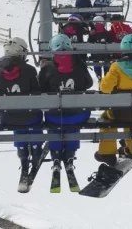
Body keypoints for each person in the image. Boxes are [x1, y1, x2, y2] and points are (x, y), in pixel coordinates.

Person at [95, 34, 132, 167]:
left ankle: (107, 152)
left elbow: (105, 88)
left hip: (120, 113)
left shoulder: (117, 67)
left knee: (107, 119)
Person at [0, 37, 43, 192]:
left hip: (8, 118)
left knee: (17, 121)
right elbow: (37, 92)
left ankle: (23, 158)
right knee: (33, 118)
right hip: (31, 117)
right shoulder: (29, 70)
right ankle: (35, 151)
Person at [38, 34, 93, 170]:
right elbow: (88, 83)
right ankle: (70, 153)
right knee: (74, 121)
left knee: (53, 122)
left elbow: (40, 88)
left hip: (55, 115)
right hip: (78, 115)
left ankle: (56, 154)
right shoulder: (79, 65)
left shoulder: (48, 68)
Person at [88, 15, 112, 80]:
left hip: (95, 55)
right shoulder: (106, 33)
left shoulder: (92, 34)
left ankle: (98, 74)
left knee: (96, 62)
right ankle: (106, 74)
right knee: (107, 62)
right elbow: (110, 42)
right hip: (106, 55)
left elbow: (89, 43)